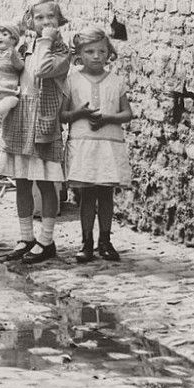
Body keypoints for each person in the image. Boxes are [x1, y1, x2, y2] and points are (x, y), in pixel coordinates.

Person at [0, 0, 71, 265]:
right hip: (21, 119)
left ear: (58, 20)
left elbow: (41, 70)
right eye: (39, 18)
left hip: (43, 121)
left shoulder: (62, 51)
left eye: (50, 17)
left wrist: (46, 40)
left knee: (45, 182)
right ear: (30, 20)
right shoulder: (25, 46)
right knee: (22, 181)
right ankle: (26, 237)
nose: (45, 22)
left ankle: (46, 240)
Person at [62, 27, 133, 263]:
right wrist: (80, 113)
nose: (96, 56)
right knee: (87, 195)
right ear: (79, 53)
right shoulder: (72, 81)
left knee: (106, 194)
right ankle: (86, 242)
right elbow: (63, 116)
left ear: (108, 53)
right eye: (89, 51)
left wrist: (108, 118)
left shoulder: (115, 81)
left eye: (101, 51)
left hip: (109, 144)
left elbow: (127, 114)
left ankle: (105, 240)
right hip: (84, 143)